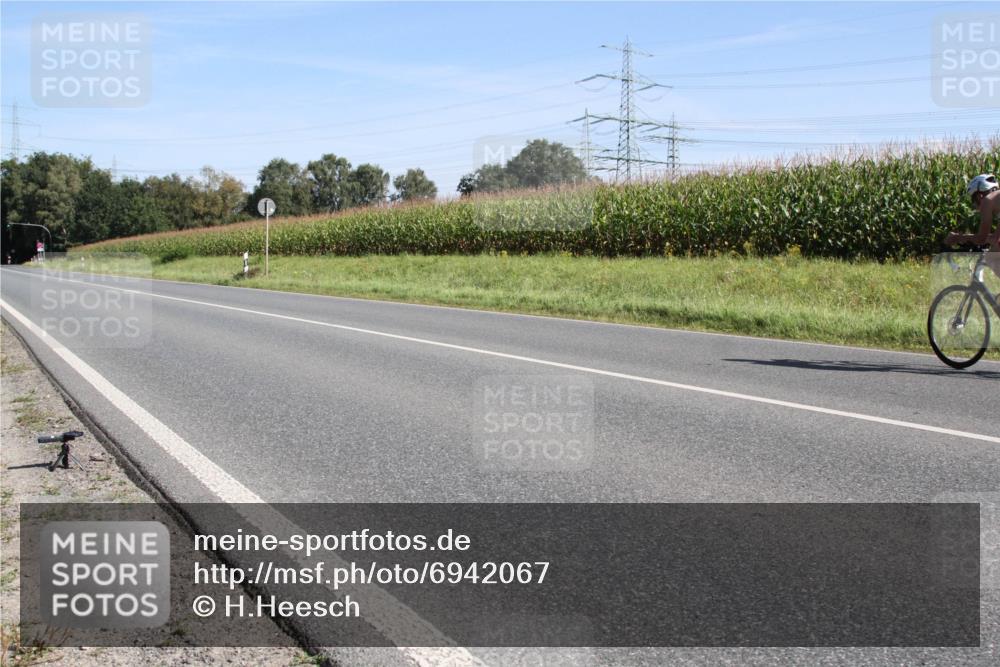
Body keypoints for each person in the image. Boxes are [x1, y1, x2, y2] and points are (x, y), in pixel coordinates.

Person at [946, 173, 1000, 276]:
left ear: (979, 196)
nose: (975, 205)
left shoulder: (987, 201)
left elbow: (981, 239)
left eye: (973, 200)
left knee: (991, 258)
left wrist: (958, 238)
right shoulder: (996, 199)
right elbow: (994, 238)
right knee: (994, 252)